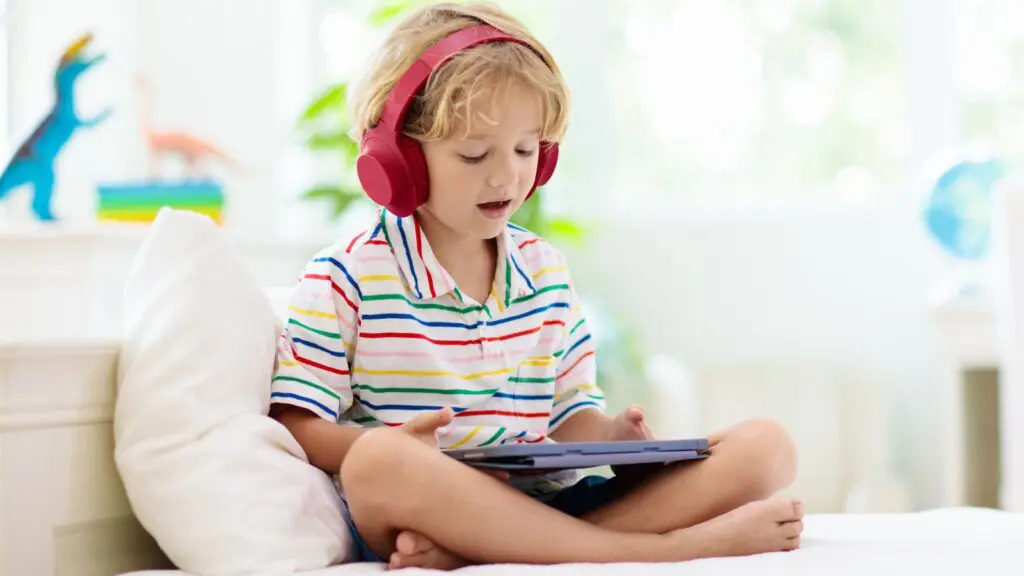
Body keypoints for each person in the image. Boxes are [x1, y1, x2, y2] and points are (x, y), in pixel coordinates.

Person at [269, 1, 802, 570]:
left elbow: (569, 417)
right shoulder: (345, 277)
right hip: (425, 504)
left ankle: (474, 554)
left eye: (526, 150)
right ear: (400, 161)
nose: (507, 176)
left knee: (767, 447)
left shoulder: (543, 269)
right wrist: (402, 449)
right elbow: (297, 424)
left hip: (549, 506)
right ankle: (660, 550)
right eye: (475, 154)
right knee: (377, 464)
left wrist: (613, 436)